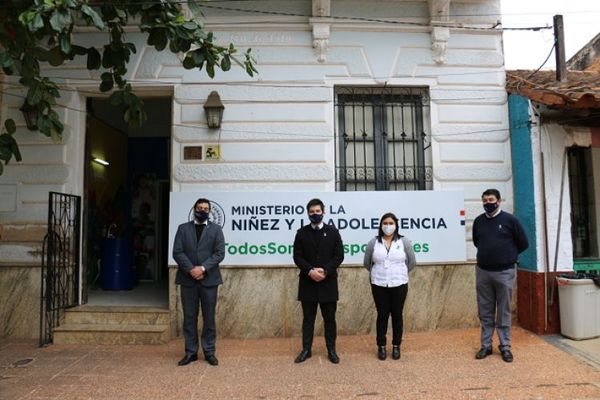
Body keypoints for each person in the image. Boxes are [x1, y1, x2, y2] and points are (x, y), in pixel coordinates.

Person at [472, 189, 528, 363]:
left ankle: (505, 346)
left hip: (505, 272)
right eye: (484, 200)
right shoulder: (478, 221)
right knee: (485, 311)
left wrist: (507, 255)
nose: (488, 202)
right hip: (483, 272)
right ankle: (486, 345)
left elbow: (523, 243)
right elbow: (476, 242)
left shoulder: (510, 220)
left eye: (491, 199)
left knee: (503, 311)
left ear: (499, 201)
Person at [173, 198, 225, 367]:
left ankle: (209, 352)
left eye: (206, 208)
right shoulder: (183, 228)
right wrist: (191, 270)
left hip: (209, 280)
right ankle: (191, 352)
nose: (202, 210)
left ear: (209, 211)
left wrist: (202, 269)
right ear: (194, 208)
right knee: (189, 317)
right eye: (199, 208)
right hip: (188, 280)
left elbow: (219, 253)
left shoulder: (216, 230)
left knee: (209, 318)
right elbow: (177, 252)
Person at [293, 198, 344, 364]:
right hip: (308, 283)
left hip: (328, 283)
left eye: (317, 211)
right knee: (308, 319)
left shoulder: (333, 232)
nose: (315, 214)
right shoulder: (301, 233)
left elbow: (339, 256)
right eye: (312, 212)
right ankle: (306, 350)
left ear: (324, 212)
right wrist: (310, 271)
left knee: (330, 319)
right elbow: (297, 256)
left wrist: (326, 270)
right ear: (308, 213)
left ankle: (332, 350)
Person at [363, 212, 416, 361]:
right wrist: (378, 273)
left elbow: (412, 262)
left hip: (399, 283)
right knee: (382, 315)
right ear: (381, 225)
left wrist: (399, 272)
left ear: (396, 225)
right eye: (385, 223)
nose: (388, 226)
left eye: (391, 223)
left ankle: (396, 346)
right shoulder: (373, 242)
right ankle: (381, 346)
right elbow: (367, 263)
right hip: (379, 284)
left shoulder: (403, 242)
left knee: (397, 315)